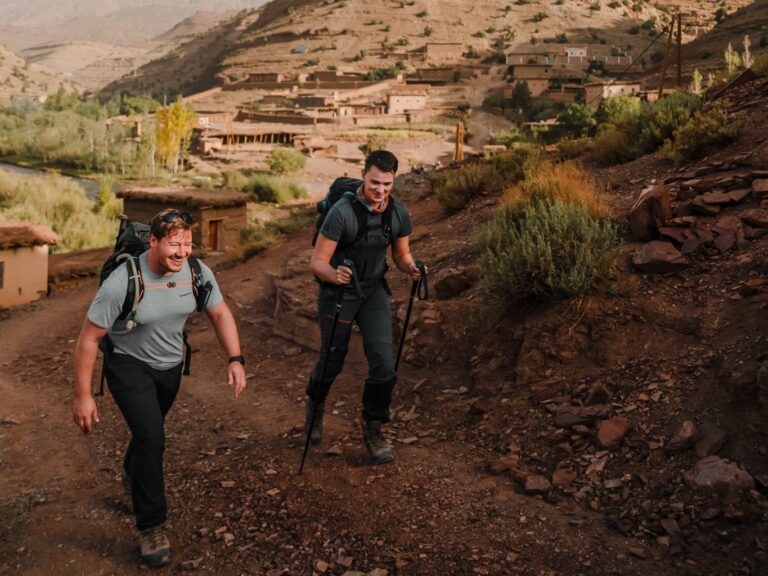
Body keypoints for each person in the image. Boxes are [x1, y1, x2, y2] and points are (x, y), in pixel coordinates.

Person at [71, 208, 247, 567]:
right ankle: (151, 527)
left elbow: (220, 313)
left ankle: (133, 471)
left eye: (188, 243)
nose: (182, 252)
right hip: (127, 365)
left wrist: (235, 358)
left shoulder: (197, 272)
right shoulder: (123, 280)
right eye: (173, 244)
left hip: (170, 366)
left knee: (148, 433)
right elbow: (88, 340)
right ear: (152, 241)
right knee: (152, 436)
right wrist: (84, 395)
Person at [307, 150, 422, 464]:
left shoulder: (397, 213)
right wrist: (334, 273)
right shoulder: (341, 213)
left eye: (387, 183)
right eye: (375, 182)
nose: (380, 189)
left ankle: (374, 427)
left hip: (372, 293)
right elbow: (317, 262)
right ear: (363, 175)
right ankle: (315, 409)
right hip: (338, 294)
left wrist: (411, 268)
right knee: (332, 360)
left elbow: (400, 254)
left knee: (384, 364)